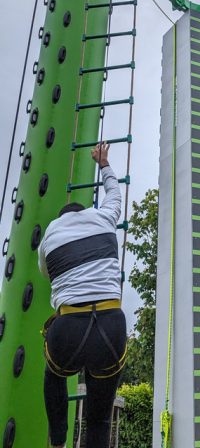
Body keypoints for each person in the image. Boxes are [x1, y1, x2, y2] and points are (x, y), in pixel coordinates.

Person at [38, 142, 127, 448]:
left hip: (69, 327)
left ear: (62, 219)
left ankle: (58, 441)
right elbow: (115, 194)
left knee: (54, 375)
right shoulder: (102, 217)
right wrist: (104, 163)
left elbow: (49, 273)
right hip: (110, 324)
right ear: (84, 213)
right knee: (99, 419)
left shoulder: (50, 234)